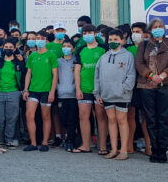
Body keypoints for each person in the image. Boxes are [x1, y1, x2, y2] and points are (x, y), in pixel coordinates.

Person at [136, 18, 168, 163]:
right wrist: (151, 75)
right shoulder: (144, 44)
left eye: (160, 26)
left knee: (164, 118)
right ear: (150, 30)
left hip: (166, 85)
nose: (158, 28)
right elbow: (139, 63)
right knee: (151, 119)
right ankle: (154, 150)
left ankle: (163, 150)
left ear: (165, 29)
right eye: (155, 27)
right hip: (147, 85)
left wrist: (161, 76)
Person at [94, 29, 136, 160]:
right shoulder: (103, 57)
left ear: (122, 41)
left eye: (116, 39)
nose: (113, 42)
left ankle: (123, 150)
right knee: (111, 121)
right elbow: (97, 76)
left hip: (122, 95)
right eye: (110, 40)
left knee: (122, 120)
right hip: (107, 94)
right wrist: (98, 93)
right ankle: (113, 149)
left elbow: (131, 75)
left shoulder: (128, 56)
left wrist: (124, 88)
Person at [73, 24, 108, 154]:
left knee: (101, 117)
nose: (87, 35)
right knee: (83, 117)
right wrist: (78, 89)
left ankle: (103, 146)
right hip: (84, 88)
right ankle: (86, 145)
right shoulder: (80, 49)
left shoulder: (103, 48)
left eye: (89, 32)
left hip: (100, 89)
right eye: (85, 33)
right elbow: (77, 70)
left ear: (95, 34)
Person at [22, 30, 58, 152]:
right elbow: (28, 73)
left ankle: (44, 142)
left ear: (46, 41)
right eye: (37, 38)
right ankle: (33, 143)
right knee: (29, 115)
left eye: (42, 38)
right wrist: (25, 90)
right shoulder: (32, 56)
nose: (39, 40)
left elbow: (55, 75)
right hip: (33, 90)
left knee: (45, 116)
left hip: (46, 90)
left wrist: (52, 92)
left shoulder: (51, 55)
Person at [0, 39, 25, 149]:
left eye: (10, 47)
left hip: (13, 92)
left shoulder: (19, 62)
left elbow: (23, 77)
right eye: (6, 47)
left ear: (14, 49)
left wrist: (22, 91)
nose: (8, 49)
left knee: (12, 117)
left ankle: (10, 139)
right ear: (3, 48)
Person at [126, 22, 151, 155]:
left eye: (138, 31)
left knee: (146, 116)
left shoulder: (150, 47)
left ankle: (149, 146)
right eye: (133, 31)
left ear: (145, 34)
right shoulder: (127, 48)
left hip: (146, 85)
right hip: (131, 86)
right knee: (130, 115)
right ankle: (129, 144)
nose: (135, 34)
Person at [57, 39, 79, 152]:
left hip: (73, 96)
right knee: (63, 119)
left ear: (73, 49)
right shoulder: (57, 61)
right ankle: (65, 138)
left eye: (68, 46)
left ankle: (71, 141)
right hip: (61, 95)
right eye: (64, 46)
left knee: (71, 120)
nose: (66, 48)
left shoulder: (76, 61)